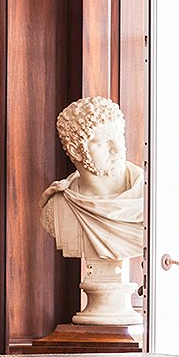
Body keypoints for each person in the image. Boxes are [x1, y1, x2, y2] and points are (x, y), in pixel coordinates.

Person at [40, 97, 144, 261]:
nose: (117, 149)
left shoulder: (152, 197)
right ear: (76, 151)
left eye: (119, 137)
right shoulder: (58, 209)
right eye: (104, 142)